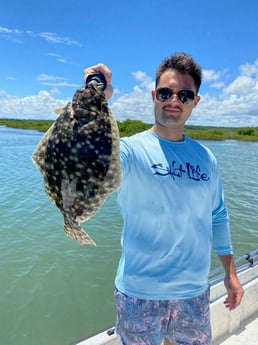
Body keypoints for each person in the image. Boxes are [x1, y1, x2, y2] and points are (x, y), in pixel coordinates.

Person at [83, 53, 244, 345]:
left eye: (184, 94)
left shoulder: (206, 158)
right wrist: (95, 99)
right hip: (138, 294)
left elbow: (218, 216)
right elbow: (91, 158)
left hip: (193, 293)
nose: (174, 100)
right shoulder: (129, 151)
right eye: (166, 92)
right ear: (154, 95)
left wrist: (230, 273)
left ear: (195, 101)